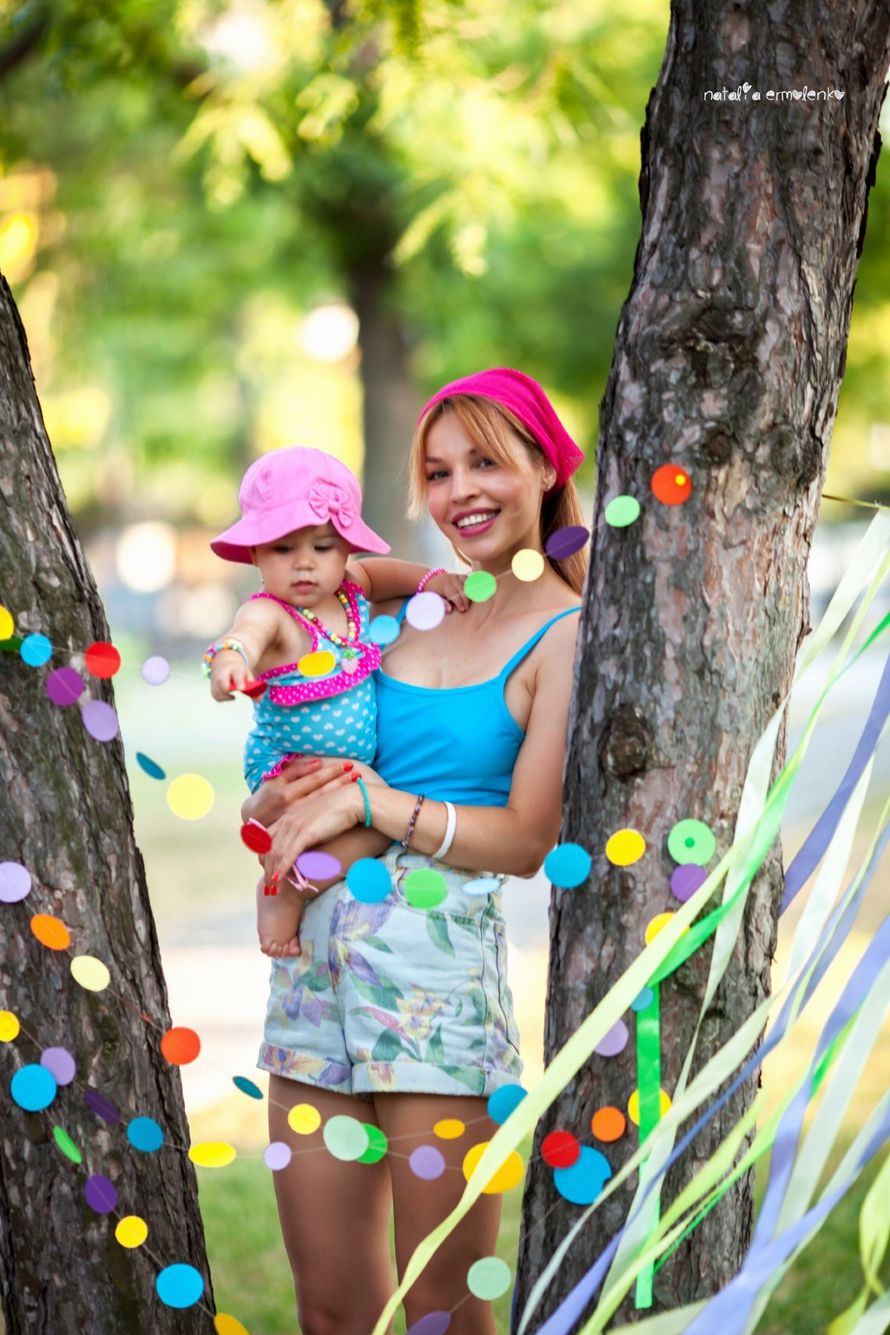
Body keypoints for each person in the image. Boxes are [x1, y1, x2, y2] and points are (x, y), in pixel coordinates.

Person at [242, 370, 588, 1335]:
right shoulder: (405, 606)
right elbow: (304, 686)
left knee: (440, 1309)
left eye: (487, 461)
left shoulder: (567, 632)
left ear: (546, 467)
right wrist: (281, 787)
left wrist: (372, 801)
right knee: (330, 1310)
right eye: (438, 472)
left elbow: (526, 839)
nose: (460, 491)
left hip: (434, 991)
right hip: (312, 980)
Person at [204, 444, 468, 956]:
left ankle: (300, 871)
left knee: (383, 818)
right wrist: (231, 662)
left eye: (323, 548)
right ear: (256, 554)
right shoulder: (274, 614)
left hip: (347, 769)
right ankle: (284, 888)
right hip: (294, 772)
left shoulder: (350, 591)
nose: (305, 564)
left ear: (346, 550)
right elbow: (244, 636)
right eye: (284, 550)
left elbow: (388, 573)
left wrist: (434, 580)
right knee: (381, 818)